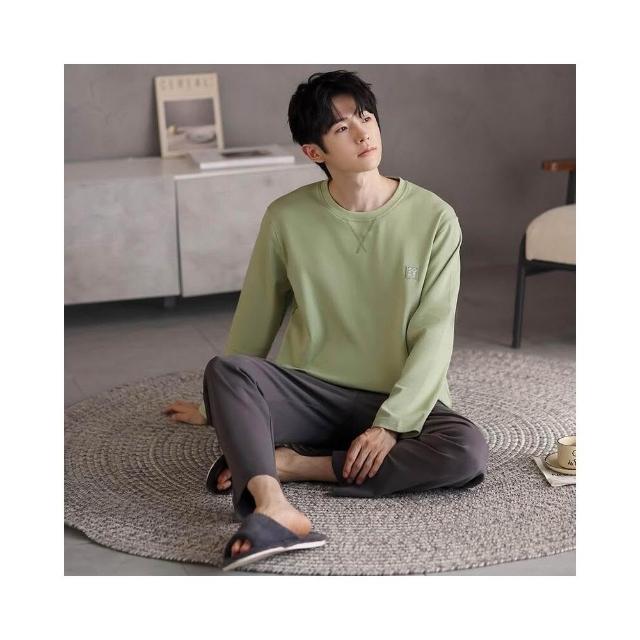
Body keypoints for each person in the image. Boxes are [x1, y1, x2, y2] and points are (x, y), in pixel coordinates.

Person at [164, 70, 489, 570]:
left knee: (466, 451)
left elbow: (435, 330)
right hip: (311, 391)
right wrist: (218, 405)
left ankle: (294, 464)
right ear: (314, 151)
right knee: (225, 371)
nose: (363, 133)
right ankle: (273, 506)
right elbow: (257, 316)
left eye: (366, 118)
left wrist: (390, 425)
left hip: (397, 396)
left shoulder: (435, 217)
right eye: (342, 128)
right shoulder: (286, 217)